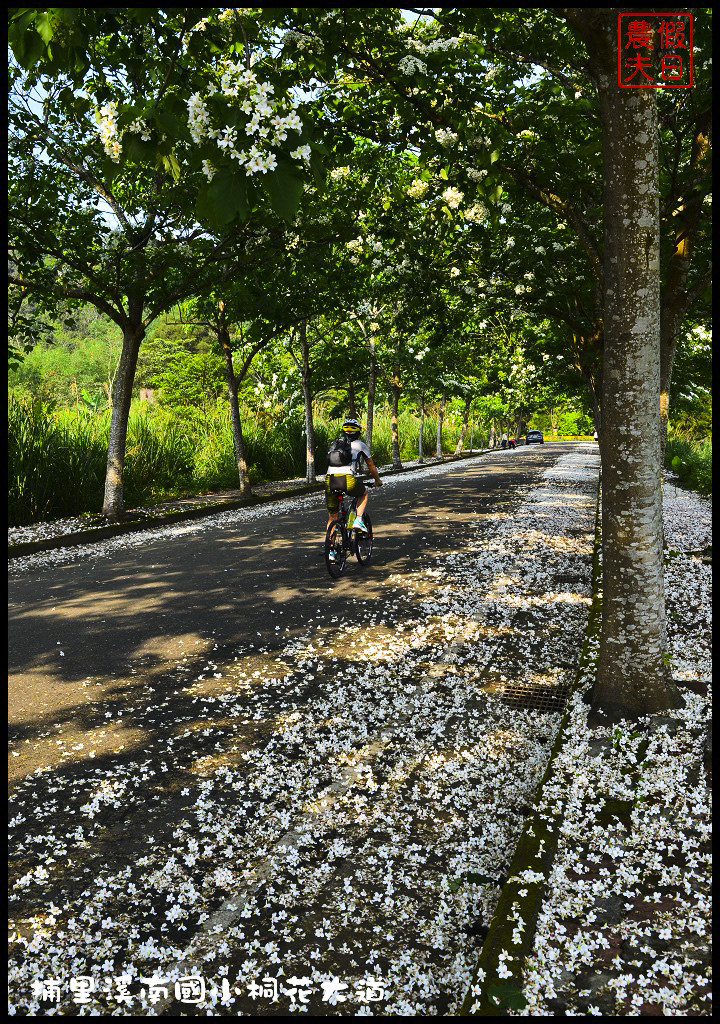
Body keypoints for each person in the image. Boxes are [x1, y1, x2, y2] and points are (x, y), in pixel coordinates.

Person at [325, 417, 382, 540]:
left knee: (332, 516)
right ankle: (359, 520)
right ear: (358, 433)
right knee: (364, 494)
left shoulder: (334, 444)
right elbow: (371, 465)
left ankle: (331, 551)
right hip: (347, 479)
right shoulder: (360, 445)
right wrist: (377, 481)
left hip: (330, 480)